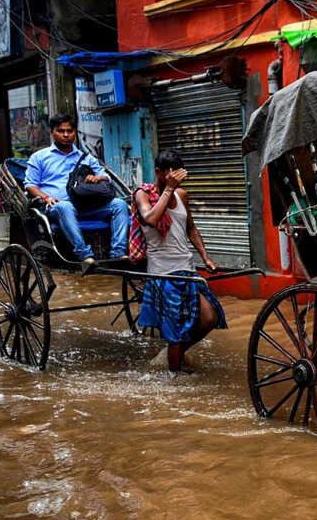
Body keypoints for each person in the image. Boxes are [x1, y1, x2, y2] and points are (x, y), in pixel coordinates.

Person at [133, 149, 226, 373]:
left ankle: (172, 356)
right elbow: (151, 219)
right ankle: (173, 382)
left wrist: (206, 257)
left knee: (210, 318)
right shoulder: (143, 194)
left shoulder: (181, 195)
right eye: (169, 174)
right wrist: (168, 189)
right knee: (176, 333)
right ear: (158, 172)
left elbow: (191, 228)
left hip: (187, 269)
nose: (174, 178)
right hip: (162, 274)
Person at [24, 113, 129, 266]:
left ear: (75, 132)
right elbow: (30, 185)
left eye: (70, 131)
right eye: (61, 131)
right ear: (52, 132)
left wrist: (98, 178)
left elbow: (106, 177)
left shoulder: (86, 157)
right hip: (56, 207)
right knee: (65, 206)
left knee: (119, 204)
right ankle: (85, 255)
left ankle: (118, 253)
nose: (66, 135)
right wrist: (46, 198)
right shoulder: (39, 157)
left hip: (85, 206)